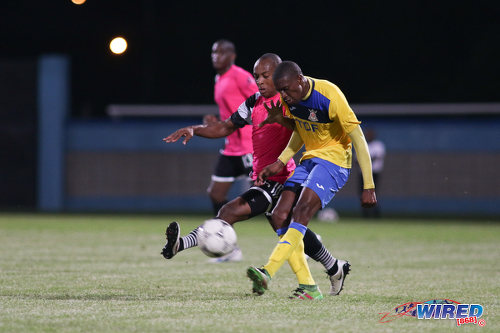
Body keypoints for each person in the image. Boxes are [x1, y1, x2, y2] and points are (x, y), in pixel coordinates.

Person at [162, 54, 341, 299]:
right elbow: (226, 126)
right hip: (263, 177)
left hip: (282, 178)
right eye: (256, 76)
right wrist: (196, 129)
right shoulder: (254, 102)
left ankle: (181, 245)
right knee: (288, 229)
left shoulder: (290, 101)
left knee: (232, 213)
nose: (259, 81)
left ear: (279, 75)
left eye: (265, 76)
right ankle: (333, 267)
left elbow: (306, 133)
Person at [247, 61, 377, 298]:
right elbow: (300, 130)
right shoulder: (290, 98)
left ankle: (267, 271)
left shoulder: (329, 95)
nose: (284, 95)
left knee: (302, 210)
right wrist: (281, 160)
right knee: (278, 215)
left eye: (287, 89)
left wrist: (368, 185)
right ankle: (315, 282)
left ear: (300, 79)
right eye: (281, 91)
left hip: (335, 162)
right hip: (310, 160)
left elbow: (358, 139)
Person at [207, 39, 258, 215]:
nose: (216, 56)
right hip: (231, 147)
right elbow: (229, 110)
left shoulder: (241, 76)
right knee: (215, 194)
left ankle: (300, 236)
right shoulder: (218, 78)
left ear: (232, 56)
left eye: (221, 52)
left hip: (249, 146)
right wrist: (217, 123)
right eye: (214, 52)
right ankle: (225, 240)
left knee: (265, 199)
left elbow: (260, 101)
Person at [359, 128, 385, 218]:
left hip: (374, 173)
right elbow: (357, 160)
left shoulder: (378, 145)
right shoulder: (362, 144)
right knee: (361, 193)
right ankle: (365, 214)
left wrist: (365, 160)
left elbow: (375, 158)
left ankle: (375, 214)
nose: (369, 136)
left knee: (373, 194)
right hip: (362, 174)